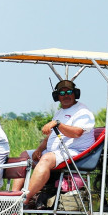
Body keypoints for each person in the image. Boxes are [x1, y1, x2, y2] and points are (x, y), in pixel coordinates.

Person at [19, 79, 96, 208]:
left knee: (46, 158)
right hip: (56, 152)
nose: (66, 95)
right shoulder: (59, 112)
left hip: (75, 153)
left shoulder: (83, 112)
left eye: (69, 92)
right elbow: (51, 135)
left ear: (75, 94)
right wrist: (39, 148)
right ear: (57, 96)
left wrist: (58, 124)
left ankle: (24, 201)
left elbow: (77, 133)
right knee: (24, 156)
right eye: (62, 93)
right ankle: (14, 196)